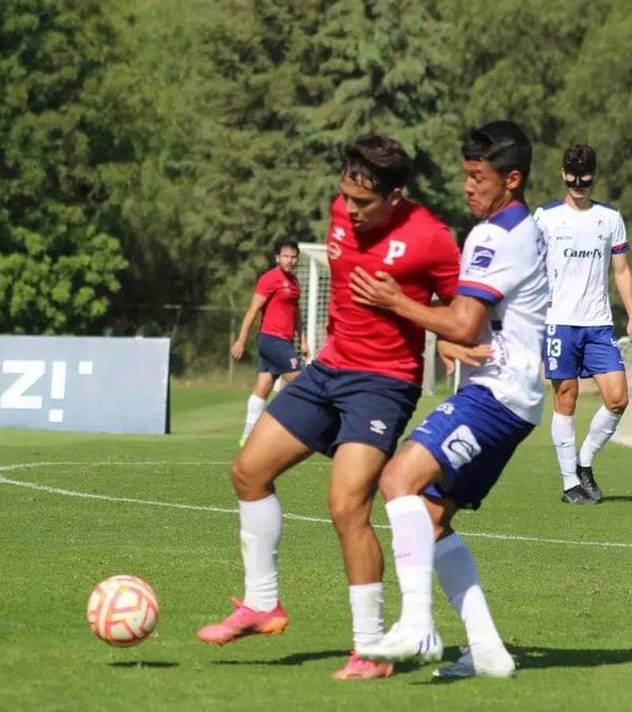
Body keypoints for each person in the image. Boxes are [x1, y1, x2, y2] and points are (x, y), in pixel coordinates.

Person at [196, 135, 461, 681]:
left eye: (365, 203)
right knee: (248, 472)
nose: (352, 211)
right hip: (328, 370)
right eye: (347, 198)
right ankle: (261, 603)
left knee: (346, 506)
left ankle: (371, 649)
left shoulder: (430, 237)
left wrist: (408, 309)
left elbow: (463, 311)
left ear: (396, 194)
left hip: (383, 385)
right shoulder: (341, 208)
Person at [348, 120, 545, 679]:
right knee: (429, 521)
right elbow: (478, 323)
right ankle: (486, 652)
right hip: (516, 399)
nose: (467, 186)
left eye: (477, 177)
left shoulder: (493, 236)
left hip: (497, 394)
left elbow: (461, 323)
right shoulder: (526, 228)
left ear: (511, 179)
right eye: (465, 175)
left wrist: (393, 301)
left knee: (396, 480)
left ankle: (416, 622)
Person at [532, 144, 632, 504]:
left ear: (595, 175)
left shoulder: (610, 218)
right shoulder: (545, 217)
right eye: (572, 175)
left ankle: (584, 462)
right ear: (563, 173)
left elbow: (622, 269)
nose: (578, 182)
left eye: (585, 176)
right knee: (566, 399)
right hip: (559, 323)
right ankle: (569, 485)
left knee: (618, 397)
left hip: (598, 325)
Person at [230, 240, 308, 446]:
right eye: (286, 256)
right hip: (272, 339)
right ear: (277, 258)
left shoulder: (295, 281)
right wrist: (241, 339)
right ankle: (289, 429)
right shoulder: (270, 278)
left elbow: (296, 312)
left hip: (286, 341)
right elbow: (252, 310)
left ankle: (248, 436)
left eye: (293, 257)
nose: (290, 260)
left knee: (263, 387)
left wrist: (304, 340)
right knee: (302, 383)